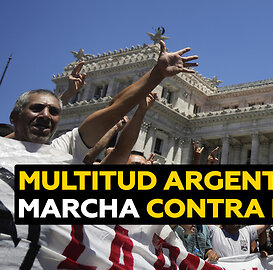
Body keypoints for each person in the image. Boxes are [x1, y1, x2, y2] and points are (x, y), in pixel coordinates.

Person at [0, 40, 198, 269]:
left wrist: (155, 75)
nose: (46, 115)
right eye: (36, 109)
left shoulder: (59, 151)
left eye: (54, 112)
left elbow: (111, 113)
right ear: (13, 117)